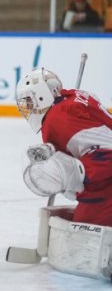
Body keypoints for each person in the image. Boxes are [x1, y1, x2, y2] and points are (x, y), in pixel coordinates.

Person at [16, 67, 112, 226]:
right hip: (105, 178)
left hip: (105, 184)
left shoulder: (55, 120)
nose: (27, 108)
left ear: (41, 95)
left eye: (29, 101)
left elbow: (106, 154)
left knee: (83, 239)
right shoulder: (74, 95)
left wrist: (74, 172)